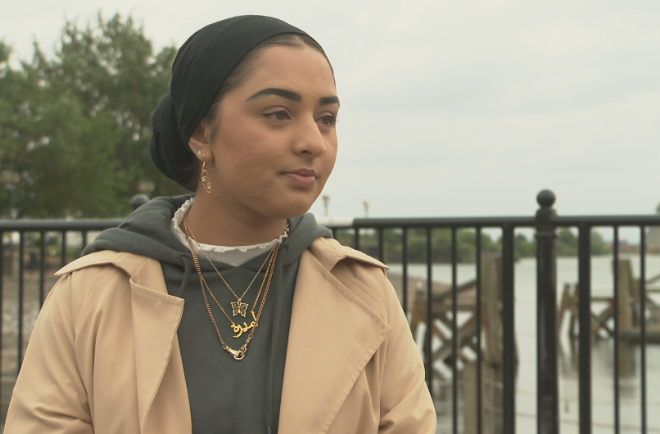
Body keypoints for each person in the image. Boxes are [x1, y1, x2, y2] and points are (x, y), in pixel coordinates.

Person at [5, 15, 436, 434]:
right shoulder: (92, 294)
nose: (313, 142)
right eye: (278, 113)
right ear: (201, 134)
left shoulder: (365, 292)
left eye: (326, 119)